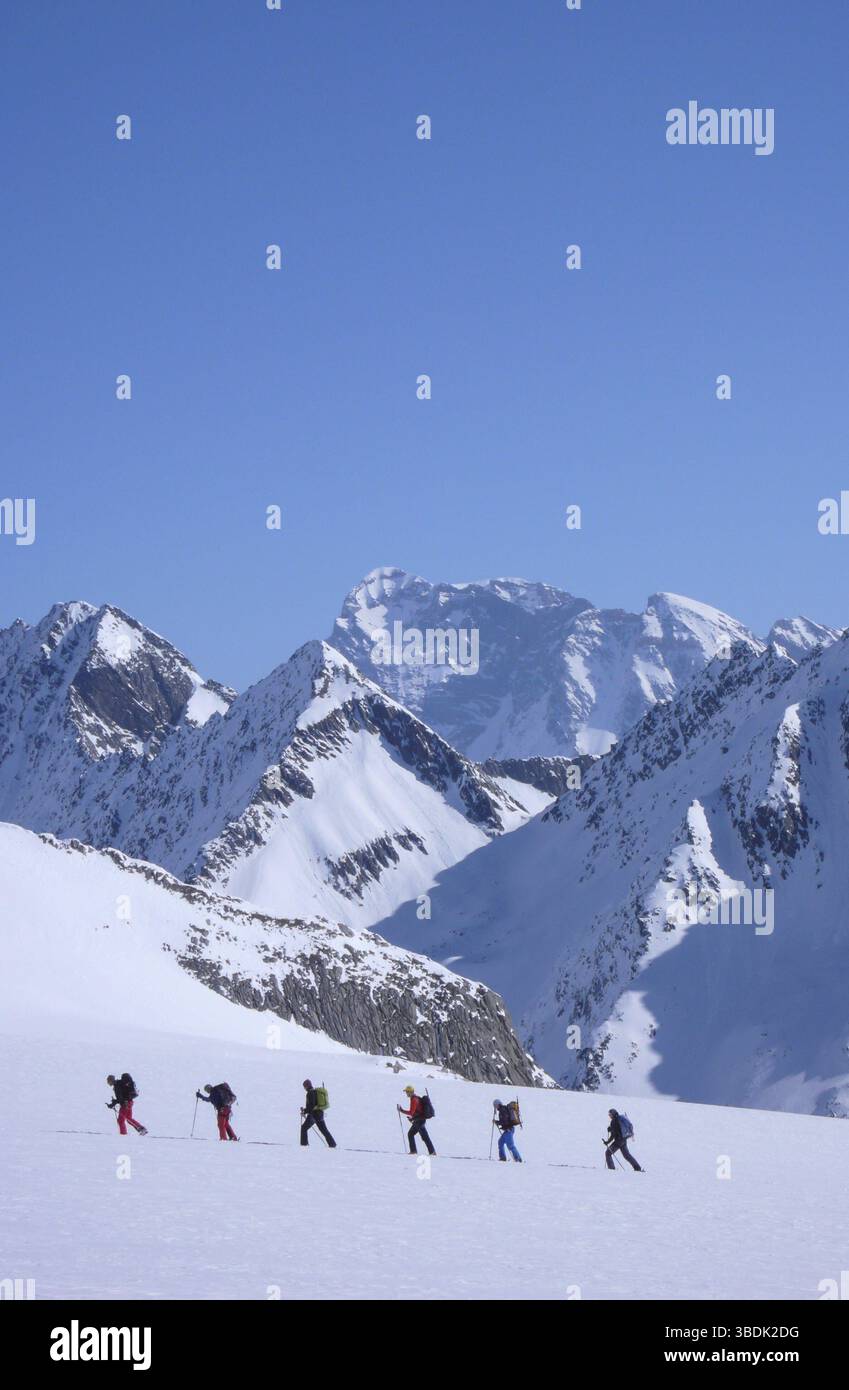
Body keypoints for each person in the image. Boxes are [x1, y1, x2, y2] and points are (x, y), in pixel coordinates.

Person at [398, 1085, 436, 1156]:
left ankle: (430, 1152)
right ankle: (420, 1151)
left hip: (419, 1121)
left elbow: (411, 1112)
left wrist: (401, 1110)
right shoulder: (415, 1098)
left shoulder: (414, 1100)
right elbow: (416, 1112)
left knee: (422, 1136)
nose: (406, 1093)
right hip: (419, 1120)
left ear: (410, 1092)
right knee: (413, 1134)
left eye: (407, 1092)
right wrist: (412, 1118)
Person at [300, 1080, 336, 1148]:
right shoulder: (315, 1092)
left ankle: (304, 1145)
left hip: (313, 1115)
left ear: (306, 1086)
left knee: (304, 1128)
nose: (304, 1088)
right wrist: (305, 1110)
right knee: (324, 1130)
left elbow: (311, 1106)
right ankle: (332, 1144)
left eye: (304, 1086)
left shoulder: (310, 1093)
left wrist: (304, 1111)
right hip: (320, 1113)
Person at [493, 1099, 523, 1163]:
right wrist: (498, 1122)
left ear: (497, 1105)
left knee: (510, 1146)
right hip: (508, 1130)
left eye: (495, 1106)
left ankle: (518, 1159)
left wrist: (497, 1122)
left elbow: (505, 1121)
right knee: (500, 1142)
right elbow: (504, 1121)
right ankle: (502, 1158)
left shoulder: (502, 1110)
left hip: (509, 1130)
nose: (495, 1108)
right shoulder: (503, 1109)